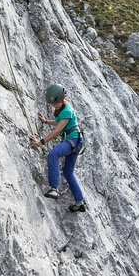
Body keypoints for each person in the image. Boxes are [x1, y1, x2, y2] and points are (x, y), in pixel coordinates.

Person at [30, 83, 86, 212]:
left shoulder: (67, 110)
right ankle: (79, 202)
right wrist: (46, 122)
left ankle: (54, 189)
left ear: (62, 100)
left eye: (55, 104)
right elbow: (59, 122)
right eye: (52, 105)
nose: (53, 106)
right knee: (68, 173)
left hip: (73, 139)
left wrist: (41, 142)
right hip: (76, 140)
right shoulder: (63, 109)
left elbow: (57, 131)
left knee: (53, 154)